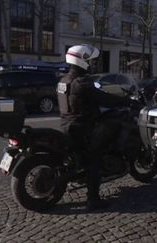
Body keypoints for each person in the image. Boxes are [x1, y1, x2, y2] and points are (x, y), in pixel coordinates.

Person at [57, 44, 130, 210]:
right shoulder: (82, 83)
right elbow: (104, 98)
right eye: (90, 60)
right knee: (95, 157)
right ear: (82, 60)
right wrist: (125, 101)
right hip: (83, 128)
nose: (92, 64)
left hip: (67, 125)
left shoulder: (63, 81)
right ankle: (93, 199)